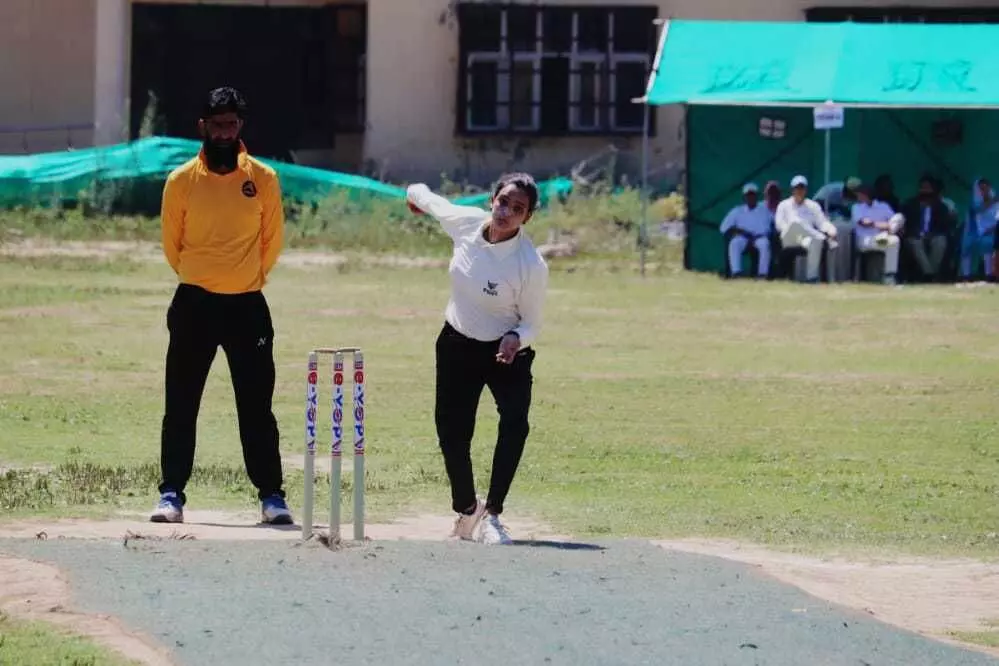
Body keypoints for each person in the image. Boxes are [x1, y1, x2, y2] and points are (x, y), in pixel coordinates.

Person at [151, 86, 291, 525]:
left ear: (240, 126)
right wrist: (202, 277)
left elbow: (273, 241)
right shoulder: (181, 181)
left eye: (232, 124)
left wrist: (247, 279)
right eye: (218, 125)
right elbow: (171, 245)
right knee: (181, 402)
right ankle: (171, 493)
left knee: (256, 406)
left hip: (247, 306)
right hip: (194, 304)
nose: (226, 133)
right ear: (203, 128)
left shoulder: (263, 179)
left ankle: (271, 496)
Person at [406, 173, 549, 545]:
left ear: (527, 218)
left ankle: (495, 516)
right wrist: (414, 198)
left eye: (518, 209)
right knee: (452, 431)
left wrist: (516, 338)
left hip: (507, 352)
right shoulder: (466, 222)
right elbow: (424, 194)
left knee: (515, 424)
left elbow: (533, 323)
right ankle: (468, 509)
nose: (507, 212)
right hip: (456, 343)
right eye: (503, 201)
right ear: (492, 199)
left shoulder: (530, 264)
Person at [775, 175, 838, 283]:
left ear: (805, 190)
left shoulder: (813, 206)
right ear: (792, 190)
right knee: (796, 223)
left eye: (802, 188)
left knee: (815, 242)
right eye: (797, 188)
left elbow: (822, 222)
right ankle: (821, 237)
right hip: (789, 237)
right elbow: (779, 225)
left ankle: (812, 278)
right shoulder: (783, 205)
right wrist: (795, 229)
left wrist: (831, 230)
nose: (799, 191)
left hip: (806, 239)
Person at [900, 174, 953, 282]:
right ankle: (929, 274)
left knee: (940, 242)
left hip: (934, 235)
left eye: (928, 188)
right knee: (916, 243)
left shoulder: (941, 206)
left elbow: (944, 227)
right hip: (915, 236)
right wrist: (917, 233)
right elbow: (906, 223)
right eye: (923, 188)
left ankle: (929, 274)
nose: (925, 191)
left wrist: (931, 235)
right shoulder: (910, 204)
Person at [850, 184, 904, 285]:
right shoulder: (857, 207)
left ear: (866, 195)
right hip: (865, 241)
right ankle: (889, 277)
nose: (858, 196)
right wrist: (886, 226)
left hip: (881, 238)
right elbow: (865, 223)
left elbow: (894, 219)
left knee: (898, 223)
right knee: (893, 239)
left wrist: (890, 226)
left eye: (860, 194)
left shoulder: (883, 206)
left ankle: (889, 275)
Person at [719, 182, 774, 278]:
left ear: (757, 196)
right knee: (734, 243)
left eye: (753, 195)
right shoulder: (737, 211)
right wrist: (739, 231)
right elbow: (724, 228)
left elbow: (772, 224)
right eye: (748, 195)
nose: (751, 198)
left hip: (759, 237)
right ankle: (736, 272)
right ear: (744, 197)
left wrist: (765, 234)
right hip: (743, 237)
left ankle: (762, 274)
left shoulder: (764, 209)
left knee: (765, 244)